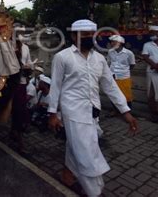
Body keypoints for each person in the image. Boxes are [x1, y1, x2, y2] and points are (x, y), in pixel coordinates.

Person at [48, 19, 138, 197]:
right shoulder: (62, 57)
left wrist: (126, 112)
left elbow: (110, 86)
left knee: (78, 145)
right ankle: (94, 191)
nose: (89, 37)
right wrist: (52, 113)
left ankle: (67, 176)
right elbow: (55, 86)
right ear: (74, 36)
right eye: (85, 34)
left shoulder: (100, 59)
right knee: (87, 151)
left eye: (91, 34)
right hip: (72, 110)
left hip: (93, 110)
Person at [11, 29, 33, 153]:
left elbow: (29, 61)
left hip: (22, 82)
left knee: (20, 110)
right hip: (11, 83)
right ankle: (16, 136)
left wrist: (29, 68)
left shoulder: (25, 48)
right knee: (15, 110)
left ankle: (18, 138)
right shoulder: (8, 47)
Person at [107, 35, 136, 114]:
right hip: (113, 76)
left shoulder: (129, 53)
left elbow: (132, 64)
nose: (112, 44)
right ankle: (115, 110)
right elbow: (109, 62)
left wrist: (124, 71)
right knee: (113, 94)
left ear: (120, 43)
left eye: (114, 42)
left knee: (126, 95)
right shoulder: (110, 52)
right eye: (111, 42)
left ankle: (127, 111)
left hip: (124, 76)